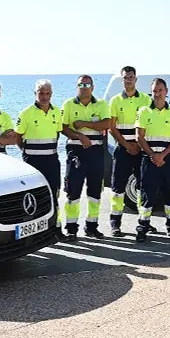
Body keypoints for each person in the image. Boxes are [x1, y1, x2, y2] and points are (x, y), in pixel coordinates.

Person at [134, 78, 170, 242]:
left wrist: (162, 155)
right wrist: (152, 155)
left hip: (167, 159)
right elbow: (139, 137)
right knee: (147, 195)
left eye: (160, 90)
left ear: (166, 91)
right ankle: (142, 227)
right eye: (155, 91)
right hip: (149, 159)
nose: (157, 94)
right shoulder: (143, 111)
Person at [60, 75, 111, 241]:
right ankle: (71, 229)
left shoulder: (101, 104)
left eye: (87, 84)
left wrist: (84, 123)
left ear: (92, 87)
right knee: (73, 191)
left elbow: (106, 124)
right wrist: (79, 136)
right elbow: (63, 128)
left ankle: (91, 226)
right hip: (76, 151)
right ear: (77, 87)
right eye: (81, 84)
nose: (84, 87)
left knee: (95, 192)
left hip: (96, 151)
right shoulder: (68, 104)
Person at [108, 66, 153, 237]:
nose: (129, 80)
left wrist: (139, 146)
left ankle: (143, 223)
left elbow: (149, 125)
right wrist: (127, 146)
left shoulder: (145, 100)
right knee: (118, 188)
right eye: (126, 77)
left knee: (143, 187)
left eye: (131, 77)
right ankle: (115, 224)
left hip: (140, 149)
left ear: (136, 79)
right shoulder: (115, 101)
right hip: (123, 149)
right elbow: (112, 128)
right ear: (122, 80)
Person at [15, 79, 64, 236]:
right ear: (35, 94)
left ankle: (55, 228)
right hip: (33, 162)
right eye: (41, 93)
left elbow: (57, 133)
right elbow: (18, 137)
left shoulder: (57, 112)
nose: (44, 96)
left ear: (51, 94)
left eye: (47, 93)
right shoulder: (26, 113)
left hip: (52, 160)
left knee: (54, 194)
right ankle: (34, 231)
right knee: (33, 198)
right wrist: (27, 151)